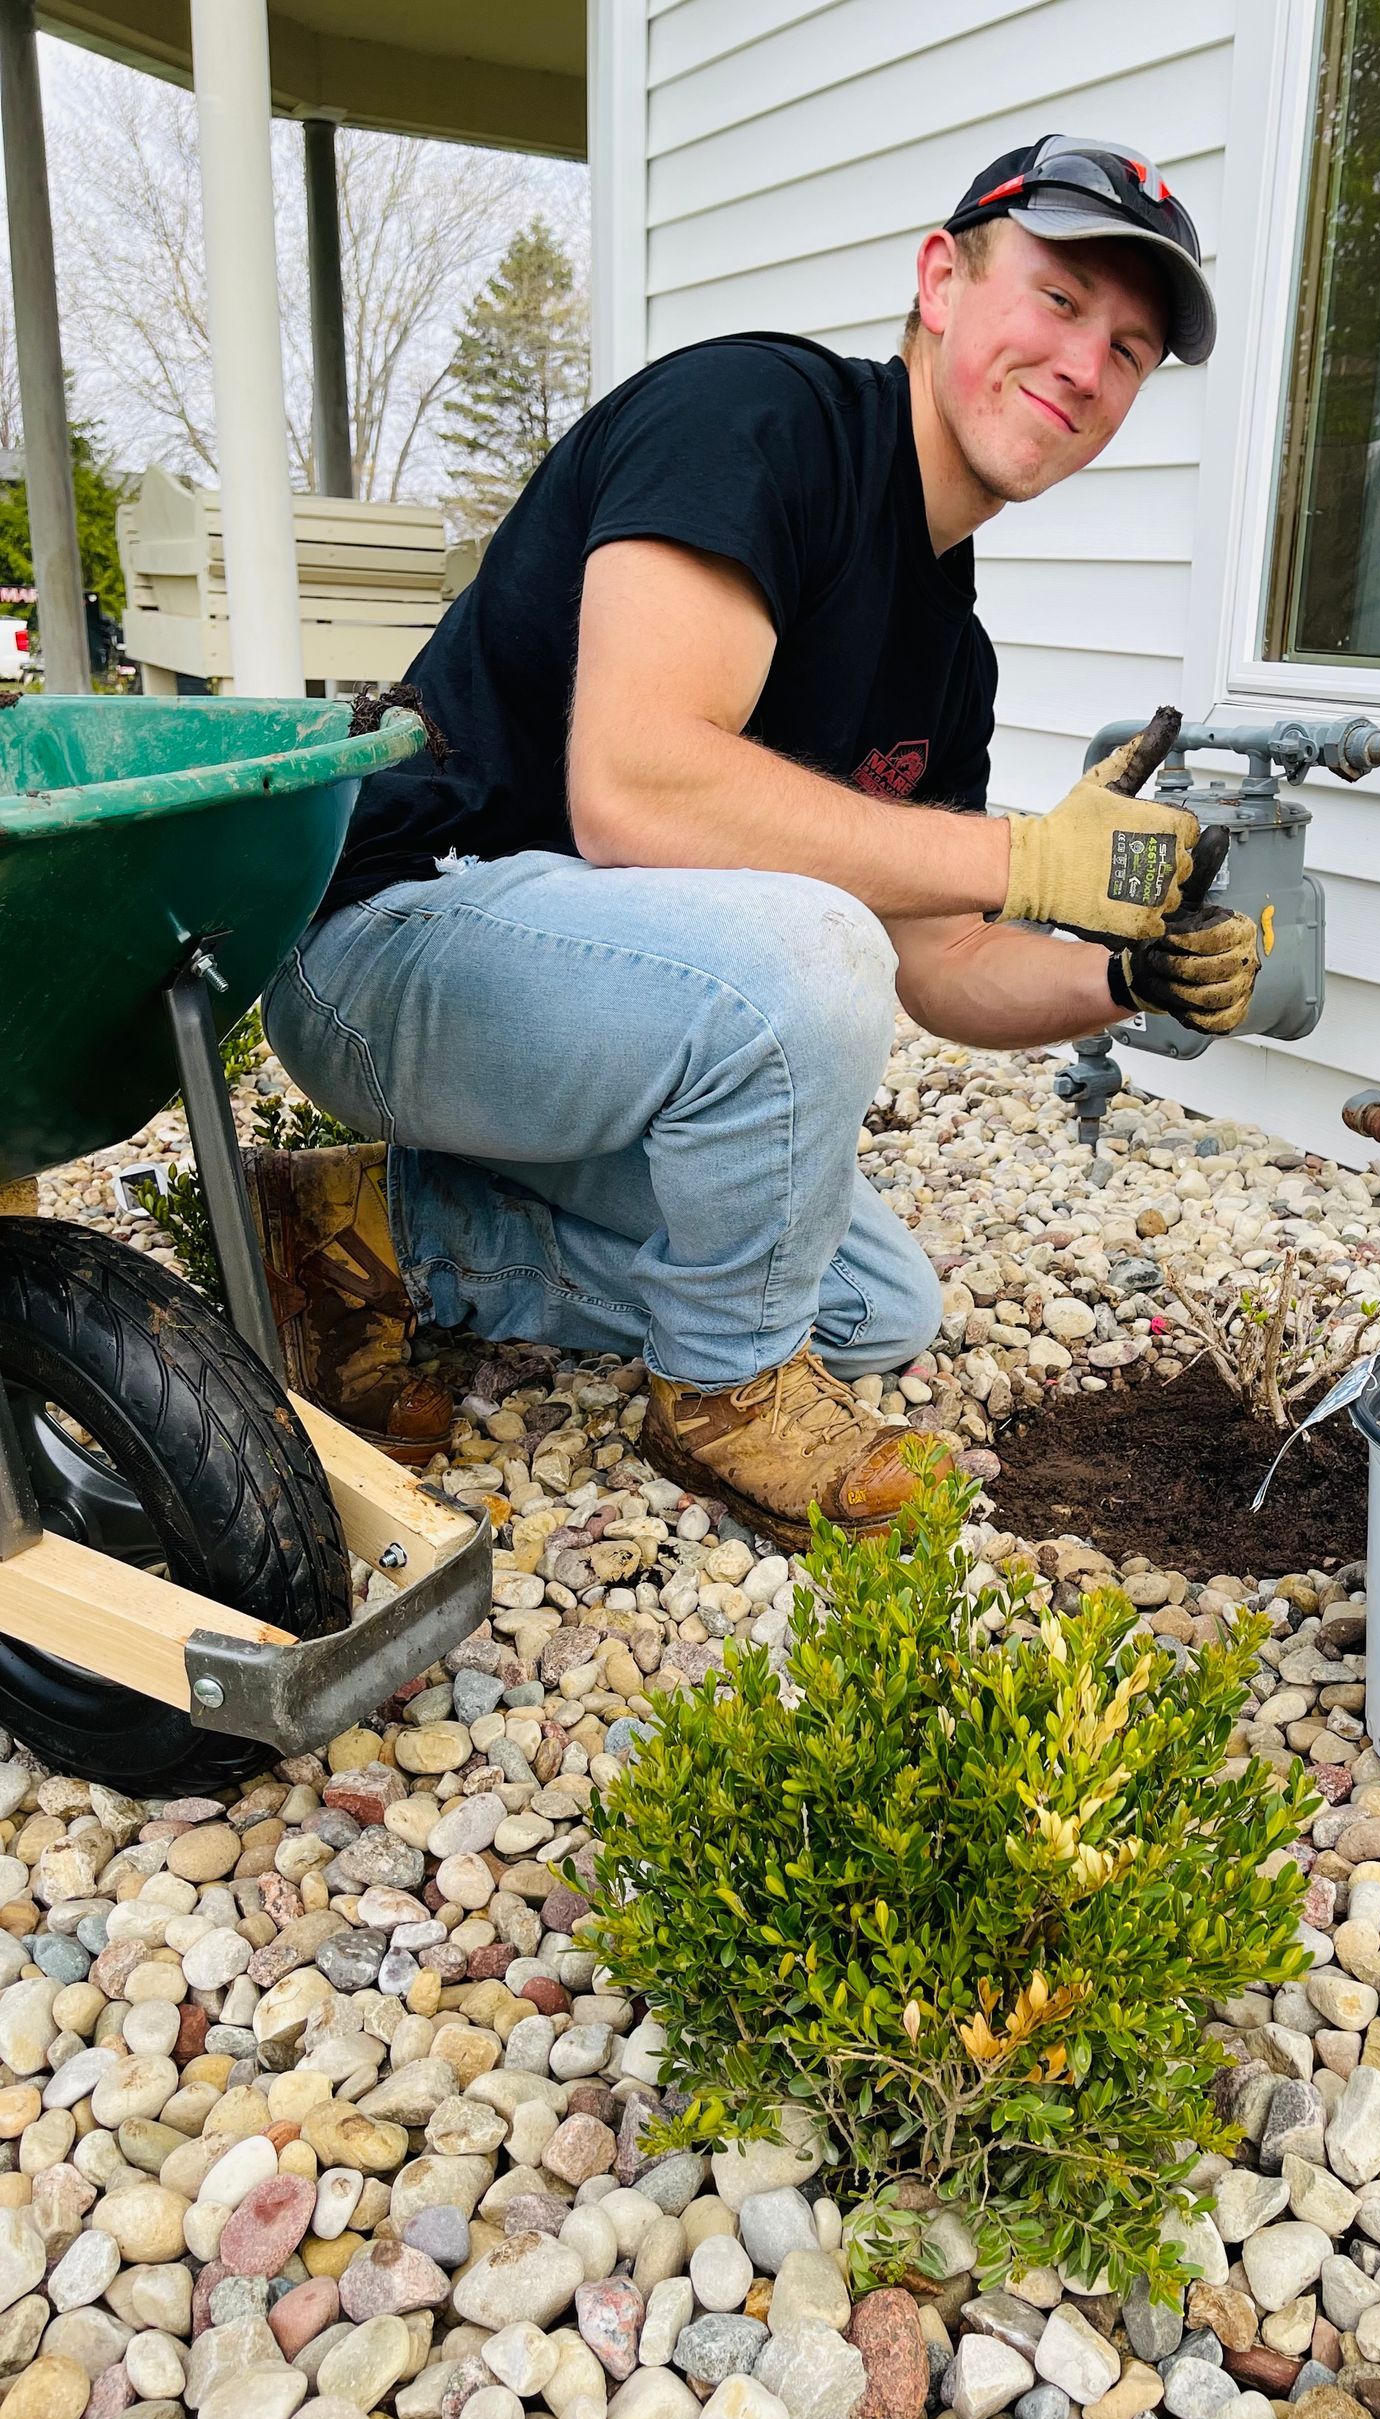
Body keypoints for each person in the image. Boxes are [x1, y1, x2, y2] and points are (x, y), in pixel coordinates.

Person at [252, 135, 1259, 1551]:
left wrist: (1126, 980)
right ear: (941, 280)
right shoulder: (757, 418)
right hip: (383, 947)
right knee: (807, 942)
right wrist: (1024, 854)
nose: (1087, 363)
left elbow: (946, 963)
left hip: (593, 1016)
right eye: (1059, 299)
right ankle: (723, 1400)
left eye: (1132, 346)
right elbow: (637, 791)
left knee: (869, 1308)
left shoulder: (947, 658)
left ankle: (370, 1235)